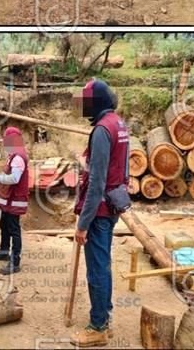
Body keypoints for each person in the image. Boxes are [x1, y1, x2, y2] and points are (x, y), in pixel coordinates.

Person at [71, 79, 130, 348]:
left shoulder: (101, 131)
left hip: (99, 209)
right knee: (103, 263)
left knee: (96, 268)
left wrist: (83, 223)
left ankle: (97, 327)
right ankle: (104, 317)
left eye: (86, 102)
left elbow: (96, 181)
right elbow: (120, 168)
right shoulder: (118, 125)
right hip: (113, 204)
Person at [0, 126, 29, 275]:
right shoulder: (14, 154)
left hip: (14, 199)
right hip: (8, 200)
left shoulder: (18, 157)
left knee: (13, 229)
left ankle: (15, 262)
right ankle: (4, 251)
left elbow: (14, 179)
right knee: (4, 224)